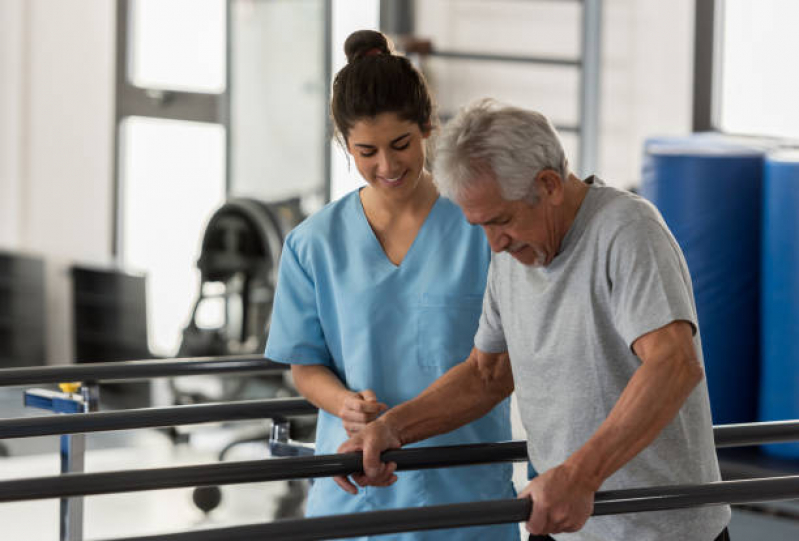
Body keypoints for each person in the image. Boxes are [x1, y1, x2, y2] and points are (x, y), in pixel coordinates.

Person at [336, 99, 732, 541]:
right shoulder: (513, 255)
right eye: (480, 225)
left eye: (501, 221)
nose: (495, 243)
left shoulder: (626, 230)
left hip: (659, 531)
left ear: (549, 185)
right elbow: (487, 377)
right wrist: (391, 429)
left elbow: (673, 366)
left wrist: (579, 477)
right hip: (562, 525)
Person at [265, 34, 519, 540]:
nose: (387, 166)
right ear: (344, 145)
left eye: (401, 145)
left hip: (463, 488)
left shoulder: (482, 229)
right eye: (366, 151)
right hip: (354, 488)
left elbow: (504, 365)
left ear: (428, 127)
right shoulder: (313, 244)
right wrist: (341, 403)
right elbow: (305, 365)